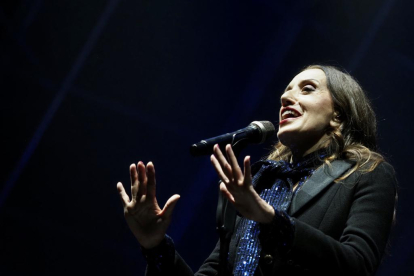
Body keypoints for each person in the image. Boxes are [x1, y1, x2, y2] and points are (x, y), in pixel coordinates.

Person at [116, 65, 397, 275]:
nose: (286, 99)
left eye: (307, 89)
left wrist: (271, 219)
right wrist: (155, 247)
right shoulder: (263, 182)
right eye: (285, 93)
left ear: (339, 112)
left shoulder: (368, 173)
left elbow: (358, 264)